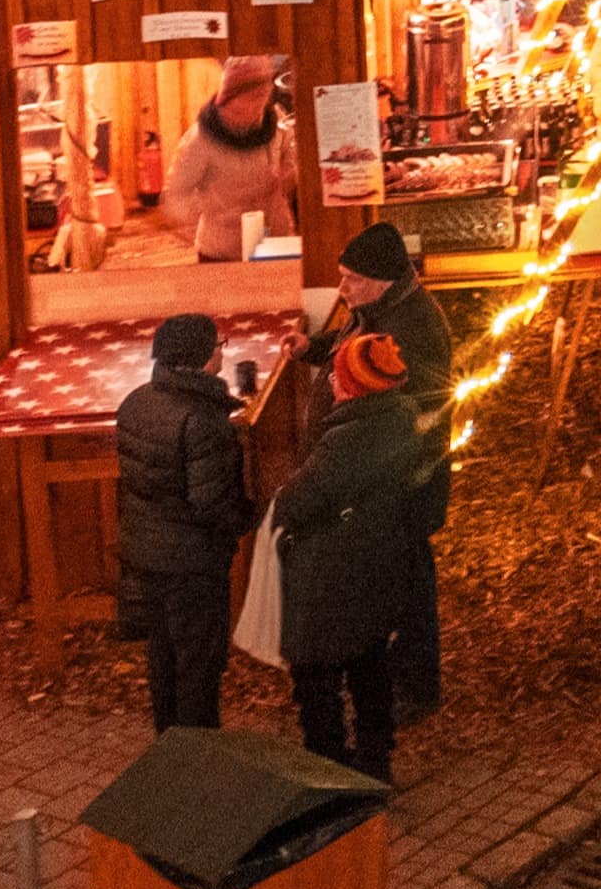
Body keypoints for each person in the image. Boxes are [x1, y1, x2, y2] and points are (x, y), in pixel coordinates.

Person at [276, 329, 432, 781]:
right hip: (377, 564)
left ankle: (330, 771)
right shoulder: (399, 419)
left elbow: (295, 503)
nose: (330, 382)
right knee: (368, 662)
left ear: (353, 385)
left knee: (315, 672)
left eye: (337, 375)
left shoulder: (348, 440)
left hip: (333, 573)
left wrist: (284, 494)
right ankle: (374, 761)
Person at [319, 216, 454, 715]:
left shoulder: (408, 329)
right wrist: (312, 350)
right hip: (391, 480)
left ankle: (415, 689)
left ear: (377, 281)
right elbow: (350, 353)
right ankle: (403, 680)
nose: (342, 289)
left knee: (408, 586)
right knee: (398, 578)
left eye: (350, 279)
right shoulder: (382, 310)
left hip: (404, 482)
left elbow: (402, 403)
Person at [114, 313, 253, 729]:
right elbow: (212, 503)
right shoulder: (204, 420)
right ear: (200, 357)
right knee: (198, 669)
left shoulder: (135, 402)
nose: (221, 352)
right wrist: (248, 517)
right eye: (218, 345)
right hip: (193, 566)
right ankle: (198, 763)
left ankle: (168, 752)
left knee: (163, 659)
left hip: (147, 556)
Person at [159, 54, 301, 261]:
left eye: (264, 95)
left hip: (275, 243)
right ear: (230, 96)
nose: (260, 105)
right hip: (222, 251)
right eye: (252, 97)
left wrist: (290, 175)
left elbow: (291, 160)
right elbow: (174, 196)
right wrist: (215, 211)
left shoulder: (276, 122)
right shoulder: (200, 139)